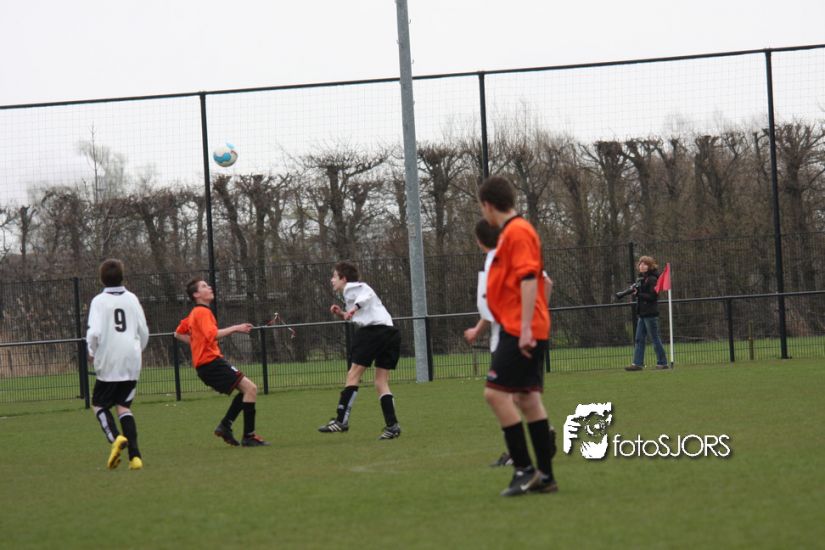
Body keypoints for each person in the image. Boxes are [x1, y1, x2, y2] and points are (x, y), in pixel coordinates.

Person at [478, 175, 558, 496]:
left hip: (519, 329)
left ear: (487, 205)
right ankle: (546, 477)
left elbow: (528, 279)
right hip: (521, 326)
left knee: (495, 394)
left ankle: (524, 469)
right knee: (527, 399)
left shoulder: (517, 232)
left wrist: (524, 327)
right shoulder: (512, 232)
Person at [174, 278, 269, 447]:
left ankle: (226, 426)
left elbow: (178, 333)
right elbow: (213, 335)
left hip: (208, 365)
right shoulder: (202, 312)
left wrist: (197, 344)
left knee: (246, 391)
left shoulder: (195, 314)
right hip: (211, 363)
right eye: (204, 286)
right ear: (196, 294)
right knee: (251, 389)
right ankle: (248, 436)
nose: (209, 287)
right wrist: (236, 328)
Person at [318, 261, 402, 440]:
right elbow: (358, 315)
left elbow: (367, 294)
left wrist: (353, 309)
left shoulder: (352, 287)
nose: (332, 280)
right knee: (380, 382)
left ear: (344, 278)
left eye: (334, 276)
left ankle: (341, 420)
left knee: (353, 374)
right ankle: (392, 426)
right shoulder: (351, 294)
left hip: (373, 332)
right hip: (390, 332)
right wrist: (342, 313)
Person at [86, 259, 150, 470]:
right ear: (123, 276)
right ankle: (135, 457)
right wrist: (137, 350)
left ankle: (115, 438)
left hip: (109, 360)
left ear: (101, 278)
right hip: (131, 360)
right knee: (123, 407)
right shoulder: (132, 298)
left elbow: (94, 332)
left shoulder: (99, 301)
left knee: (99, 404)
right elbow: (143, 330)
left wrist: (91, 351)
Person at [625, 256, 669, 371]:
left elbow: (653, 296)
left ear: (650, 266)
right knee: (639, 339)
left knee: (655, 338)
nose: (642, 266)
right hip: (642, 314)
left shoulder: (652, 279)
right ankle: (637, 363)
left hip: (650, 314)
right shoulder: (641, 279)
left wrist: (638, 294)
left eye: (644, 264)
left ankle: (662, 362)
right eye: (640, 264)